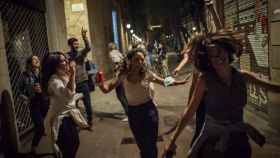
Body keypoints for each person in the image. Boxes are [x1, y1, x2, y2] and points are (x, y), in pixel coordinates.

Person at [164, 31, 280, 158]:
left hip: (239, 142)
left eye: (220, 52)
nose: (217, 58)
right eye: (212, 56)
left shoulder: (243, 76)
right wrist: (172, 140)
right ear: (208, 59)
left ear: (227, 52)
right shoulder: (205, 80)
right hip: (213, 144)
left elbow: (271, 86)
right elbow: (190, 111)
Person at [97, 48, 189, 158]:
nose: (140, 62)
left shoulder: (146, 74)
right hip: (133, 113)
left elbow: (164, 81)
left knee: (150, 144)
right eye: (137, 59)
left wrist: (179, 82)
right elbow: (106, 89)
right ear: (129, 60)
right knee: (141, 145)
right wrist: (100, 84)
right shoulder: (123, 75)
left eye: (142, 59)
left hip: (149, 111)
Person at [43, 52, 86, 158]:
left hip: (68, 116)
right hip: (60, 119)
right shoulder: (54, 80)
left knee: (74, 144)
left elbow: (70, 94)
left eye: (65, 59)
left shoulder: (64, 75)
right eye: (62, 60)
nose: (66, 61)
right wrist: (73, 74)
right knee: (69, 147)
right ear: (55, 65)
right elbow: (68, 94)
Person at [20, 55, 49, 154]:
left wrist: (43, 90)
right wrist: (26, 99)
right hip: (34, 103)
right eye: (34, 59)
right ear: (29, 64)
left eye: (38, 59)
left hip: (45, 102)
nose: (37, 60)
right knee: (40, 127)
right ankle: (34, 147)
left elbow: (49, 87)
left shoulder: (43, 74)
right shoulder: (24, 76)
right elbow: (20, 92)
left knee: (50, 123)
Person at [67, 28, 93, 126]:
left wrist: (84, 37)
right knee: (73, 105)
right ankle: (77, 122)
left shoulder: (81, 54)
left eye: (77, 44)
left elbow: (88, 47)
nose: (77, 45)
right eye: (75, 44)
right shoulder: (67, 56)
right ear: (70, 45)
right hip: (73, 84)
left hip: (83, 82)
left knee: (87, 104)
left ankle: (89, 121)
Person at [108, 42, 128, 121]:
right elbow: (123, 60)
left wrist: (117, 68)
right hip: (123, 75)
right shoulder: (118, 52)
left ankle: (128, 114)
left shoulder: (112, 53)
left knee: (120, 95)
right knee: (123, 94)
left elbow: (117, 62)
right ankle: (128, 111)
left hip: (119, 76)